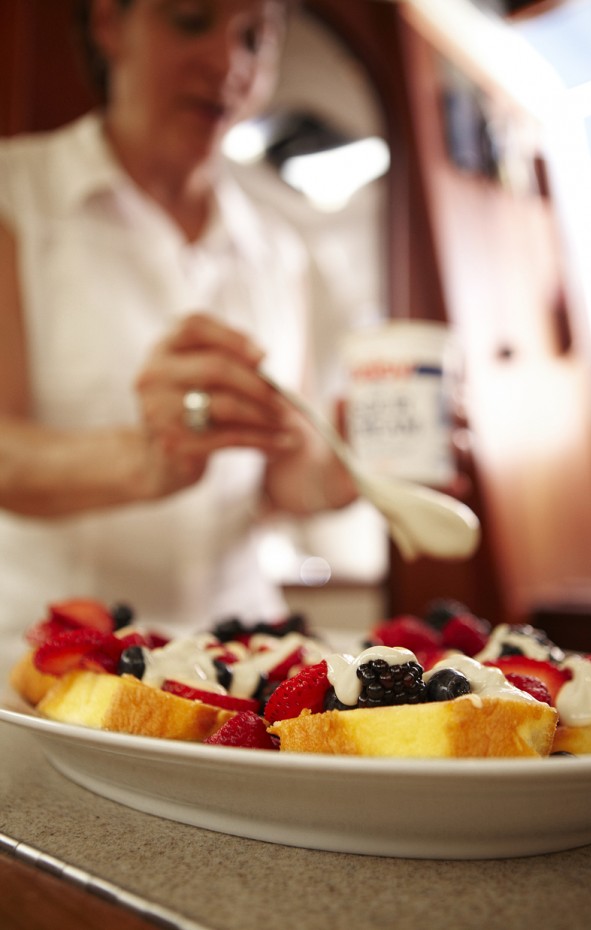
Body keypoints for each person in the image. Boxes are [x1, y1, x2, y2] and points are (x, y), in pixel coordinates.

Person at [0, 0, 357, 678]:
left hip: (240, 661)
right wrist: (144, 456)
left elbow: (284, 475)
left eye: (255, 38)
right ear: (110, 24)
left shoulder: (282, 251)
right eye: (191, 20)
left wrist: (344, 471)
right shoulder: (15, 195)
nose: (229, 63)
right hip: (45, 664)